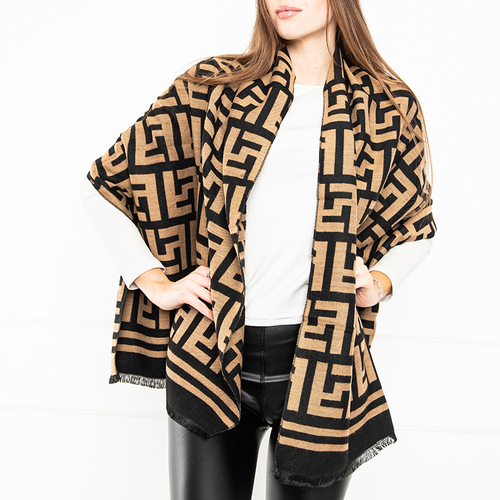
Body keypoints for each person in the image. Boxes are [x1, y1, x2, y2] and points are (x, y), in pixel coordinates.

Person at [81, 1, 436, 498]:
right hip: (212, 351)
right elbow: (106, 184)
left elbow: (416, 226)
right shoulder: (214, 87)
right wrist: (154, 282)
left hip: (323, 362)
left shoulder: (389, 105)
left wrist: (378, 282)